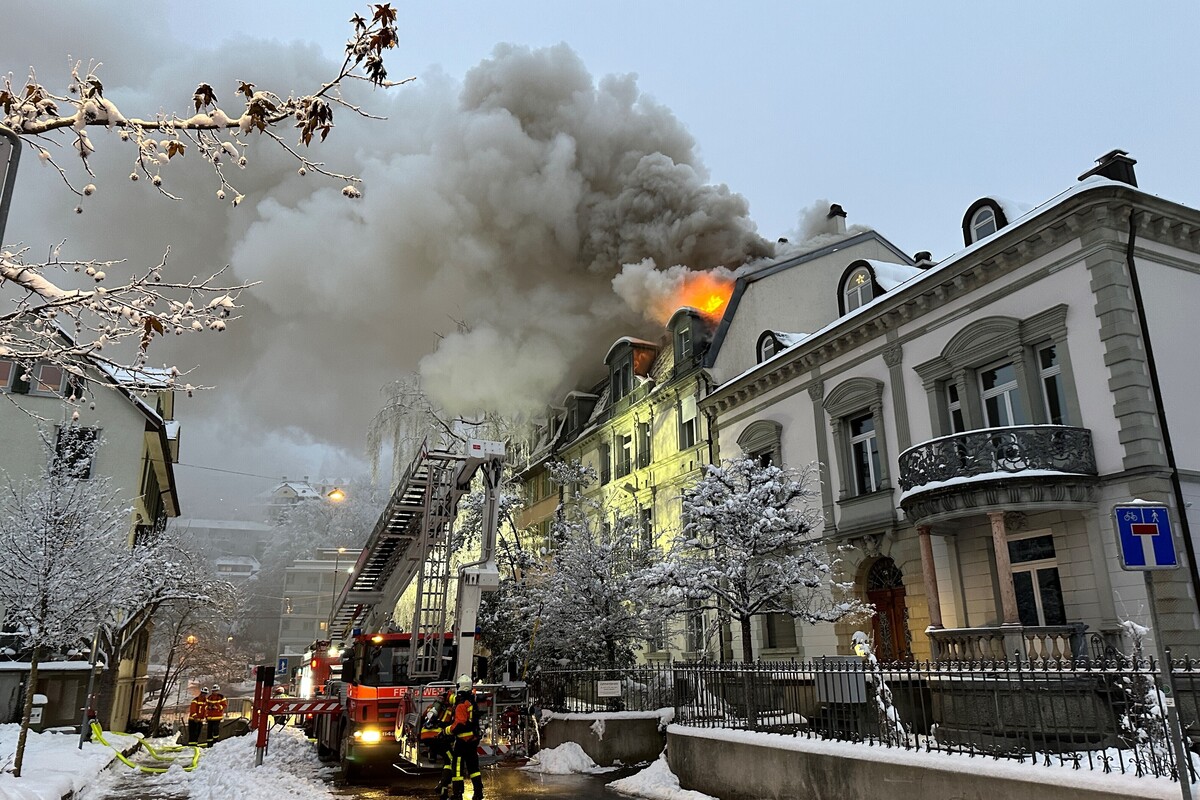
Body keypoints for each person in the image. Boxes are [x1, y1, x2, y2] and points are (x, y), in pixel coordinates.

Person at [446, 674, 483, 800]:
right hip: (472, 741)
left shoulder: (461, 705)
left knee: (457, 768)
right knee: (474, 768)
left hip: (462, 742)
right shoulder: (471, 701)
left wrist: (446, 731)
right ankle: (478, 793)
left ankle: (457, 794)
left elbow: (459, 724)